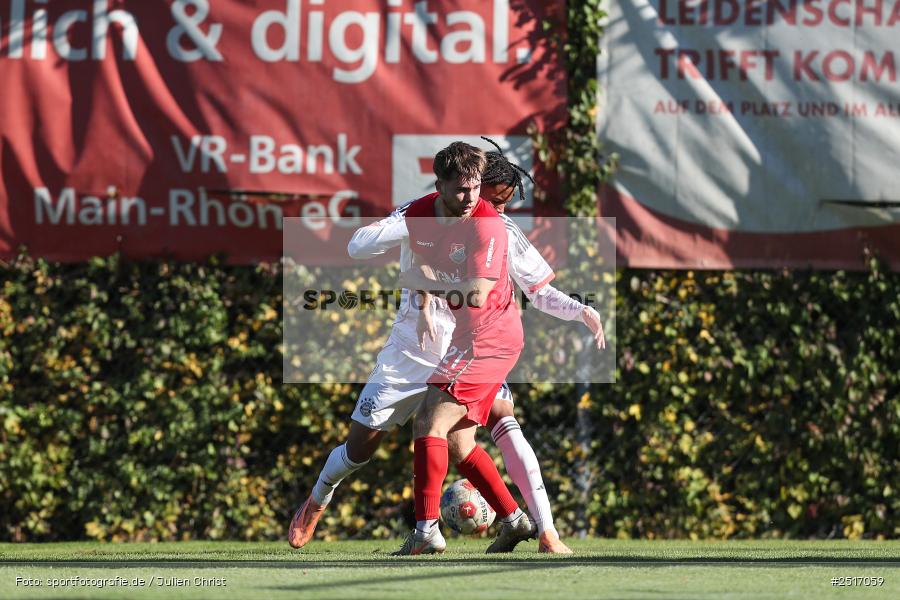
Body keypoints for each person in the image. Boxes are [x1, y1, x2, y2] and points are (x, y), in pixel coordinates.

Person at [289, 141, 604, 554]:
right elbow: (359, 245)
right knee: (359, 448)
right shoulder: (417, 214)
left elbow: (538, 291)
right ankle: (319, 497)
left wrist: (581, 309)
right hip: (409, 351)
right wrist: (406, 232)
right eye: (485, 195)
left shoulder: (498, 229)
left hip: (473, 347)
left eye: (494, 198)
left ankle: (541, 529)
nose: (487, 205)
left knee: (497, 423)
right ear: (442, 187)